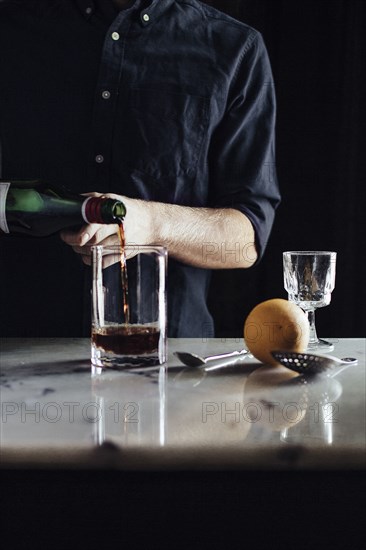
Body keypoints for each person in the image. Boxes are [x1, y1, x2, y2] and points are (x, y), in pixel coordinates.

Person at [0, 0, 280, 337]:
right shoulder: (11, 30)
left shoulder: (235, 48)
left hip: (168, 360)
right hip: (17, 349)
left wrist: (150, 224)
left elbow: (246, 240)